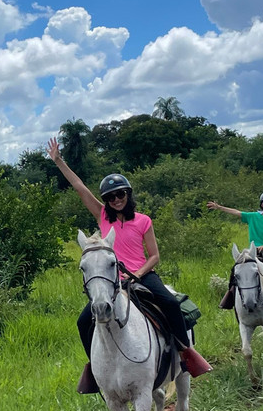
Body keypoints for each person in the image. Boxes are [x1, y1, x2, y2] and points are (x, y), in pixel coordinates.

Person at [47, 139, 212, 393]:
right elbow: (79, 187)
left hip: (142, 276)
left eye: (120, 194)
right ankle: (94, 368)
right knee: (83, 321)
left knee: (169, 303)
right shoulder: (102, 215)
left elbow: (154, 255)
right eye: (110, 196)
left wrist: (139, 274)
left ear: (128, 194)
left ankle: (184, 352)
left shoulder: (143, 221)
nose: (115, 199)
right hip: (112, 280)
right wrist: (58, 161)